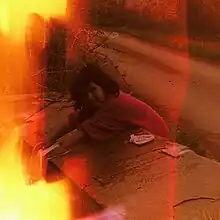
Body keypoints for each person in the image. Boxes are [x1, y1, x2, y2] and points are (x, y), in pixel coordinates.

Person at [46, 63, 169, 155]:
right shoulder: (105, 101)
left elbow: (80, 133)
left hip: (156, 141)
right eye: (85, 95)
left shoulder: (114, 104)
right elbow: (74, 120)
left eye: (93, 90)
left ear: (102, 85)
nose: (90, 97)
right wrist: (48, 141)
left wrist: (49, 153)